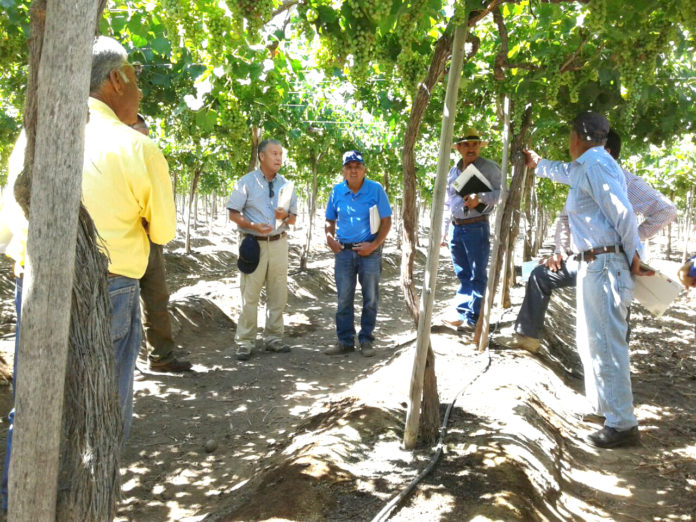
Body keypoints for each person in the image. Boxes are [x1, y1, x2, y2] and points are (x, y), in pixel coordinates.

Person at [0, 36, 177, 509]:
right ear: (116, 80)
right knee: (102, 409)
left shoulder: (33, 136)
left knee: (34, 405)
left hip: (32, 281)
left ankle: (17, 505)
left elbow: (7, 222)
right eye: (136, 82)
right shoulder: (137, 148)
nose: (139, 95)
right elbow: (163, 230)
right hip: (112, 287)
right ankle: (86, 508)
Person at [526, 112, 652, 449]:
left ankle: (623, 425)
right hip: (592, 264)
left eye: (569, 134)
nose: (568, 141)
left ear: (579, 136)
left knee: (607, 344)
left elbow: (621, 212)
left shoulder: (596, 163)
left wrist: (634, 254)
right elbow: (562, 172)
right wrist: (537, 163)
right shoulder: (586, 165)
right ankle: (606, 410)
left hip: (605, 263)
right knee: (591, 341)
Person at [498, 129, 676, 353]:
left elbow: (666, 210)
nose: (577, 157)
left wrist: (631, 240)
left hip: (615, 265)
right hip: (583, 260)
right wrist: (560, 250)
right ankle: (527, 338)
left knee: (615, 321)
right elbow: (564, 218)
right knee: (540, 275)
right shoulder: (583, 177)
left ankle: (615, 366)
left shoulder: (626, 182)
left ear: (605, 152)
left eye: (585, 149)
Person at [226, 139, 297, 361]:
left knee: (278, 293)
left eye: (280, 154)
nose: (278, 158)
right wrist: (252, 225)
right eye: (274, 153)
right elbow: (233, 213)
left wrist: (283, 216)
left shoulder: (286, 185)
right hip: (253, 244)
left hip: (278, 243)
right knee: (250, 295)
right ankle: (245, 341)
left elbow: (293, 218)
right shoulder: (245, 182)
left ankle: (274, 338)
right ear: (261, 156)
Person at [131, 114, 192, 372]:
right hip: (122, 240)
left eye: (146, 136)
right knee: (121, 302)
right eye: (138, 135)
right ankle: (122, 361)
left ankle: (161, 357)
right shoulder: (113, 159)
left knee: (157, 299)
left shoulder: (148, 159)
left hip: (150, 239)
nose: (143, 141)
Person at [324, 150, 392, 357]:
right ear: (343, 171)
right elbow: (330, 220)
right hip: (343, 252)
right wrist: (329, 238)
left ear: (364, 170)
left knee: (370, 297)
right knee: (344, 298)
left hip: (369, 252)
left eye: (357, 167)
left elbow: (386, 221)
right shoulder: (336, 191)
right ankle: (345, 341)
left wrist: (374, 246)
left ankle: (366, 340)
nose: (353, 170)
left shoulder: (376, 189)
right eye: (349, 167)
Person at [441, 128, 502, 330]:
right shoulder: (453, 171)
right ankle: (462, 312)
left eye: (475, 144)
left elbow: (503, 193)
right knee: (462, 273)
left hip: (477, 226)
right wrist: (444, 230)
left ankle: (474, 318)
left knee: (477, 274)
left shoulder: (490, 168)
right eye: (466, 144)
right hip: (456, 228)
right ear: (458, 148)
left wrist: (481, 198)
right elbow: (448, 203)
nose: (471, 148)